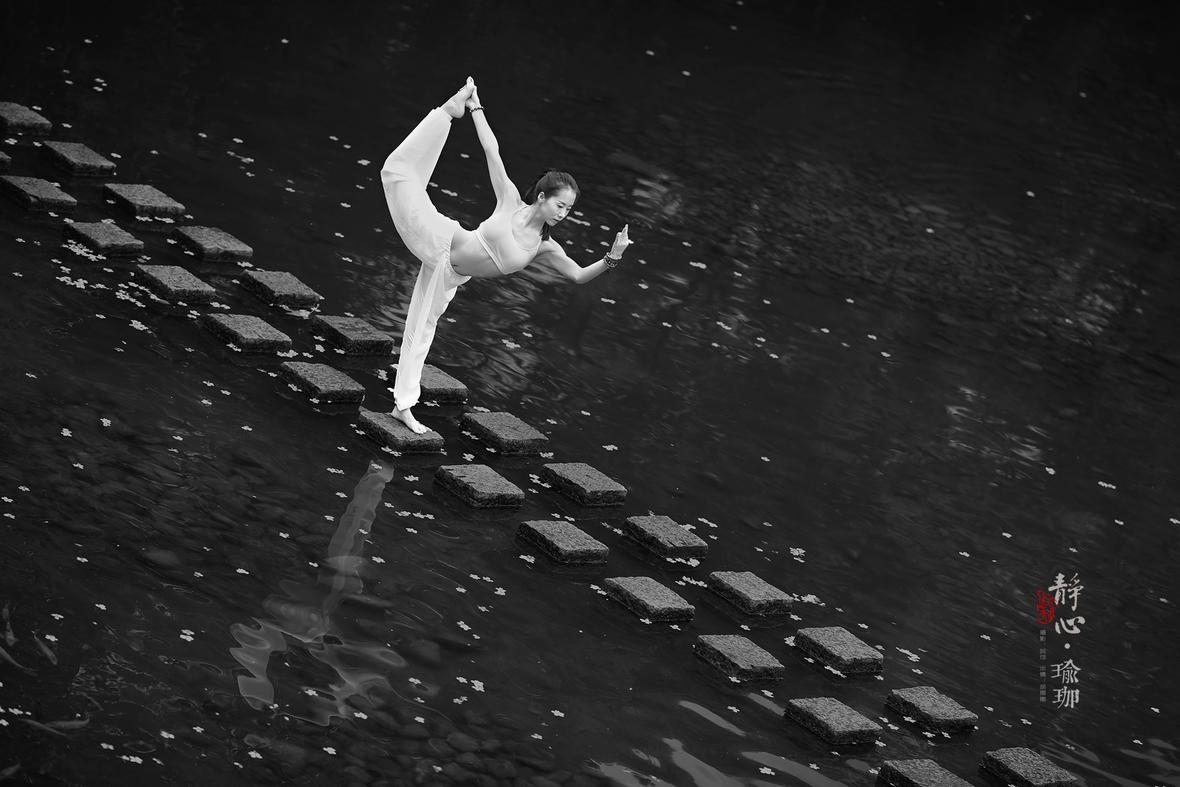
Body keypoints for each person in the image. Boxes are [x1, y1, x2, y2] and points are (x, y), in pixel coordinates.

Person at [380, 77, 632, 434]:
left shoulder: (545, 247)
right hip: (441, 240)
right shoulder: (510, 201)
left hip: (449, 274)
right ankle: (448, 111)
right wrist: (475, 108)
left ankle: (402, 406)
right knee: (396, 173)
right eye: (560, 205)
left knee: (421, 330)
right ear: (542, 198)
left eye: (569, 209)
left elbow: (577, 275)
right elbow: (491, 150)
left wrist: (612, 257)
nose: (563, 214)